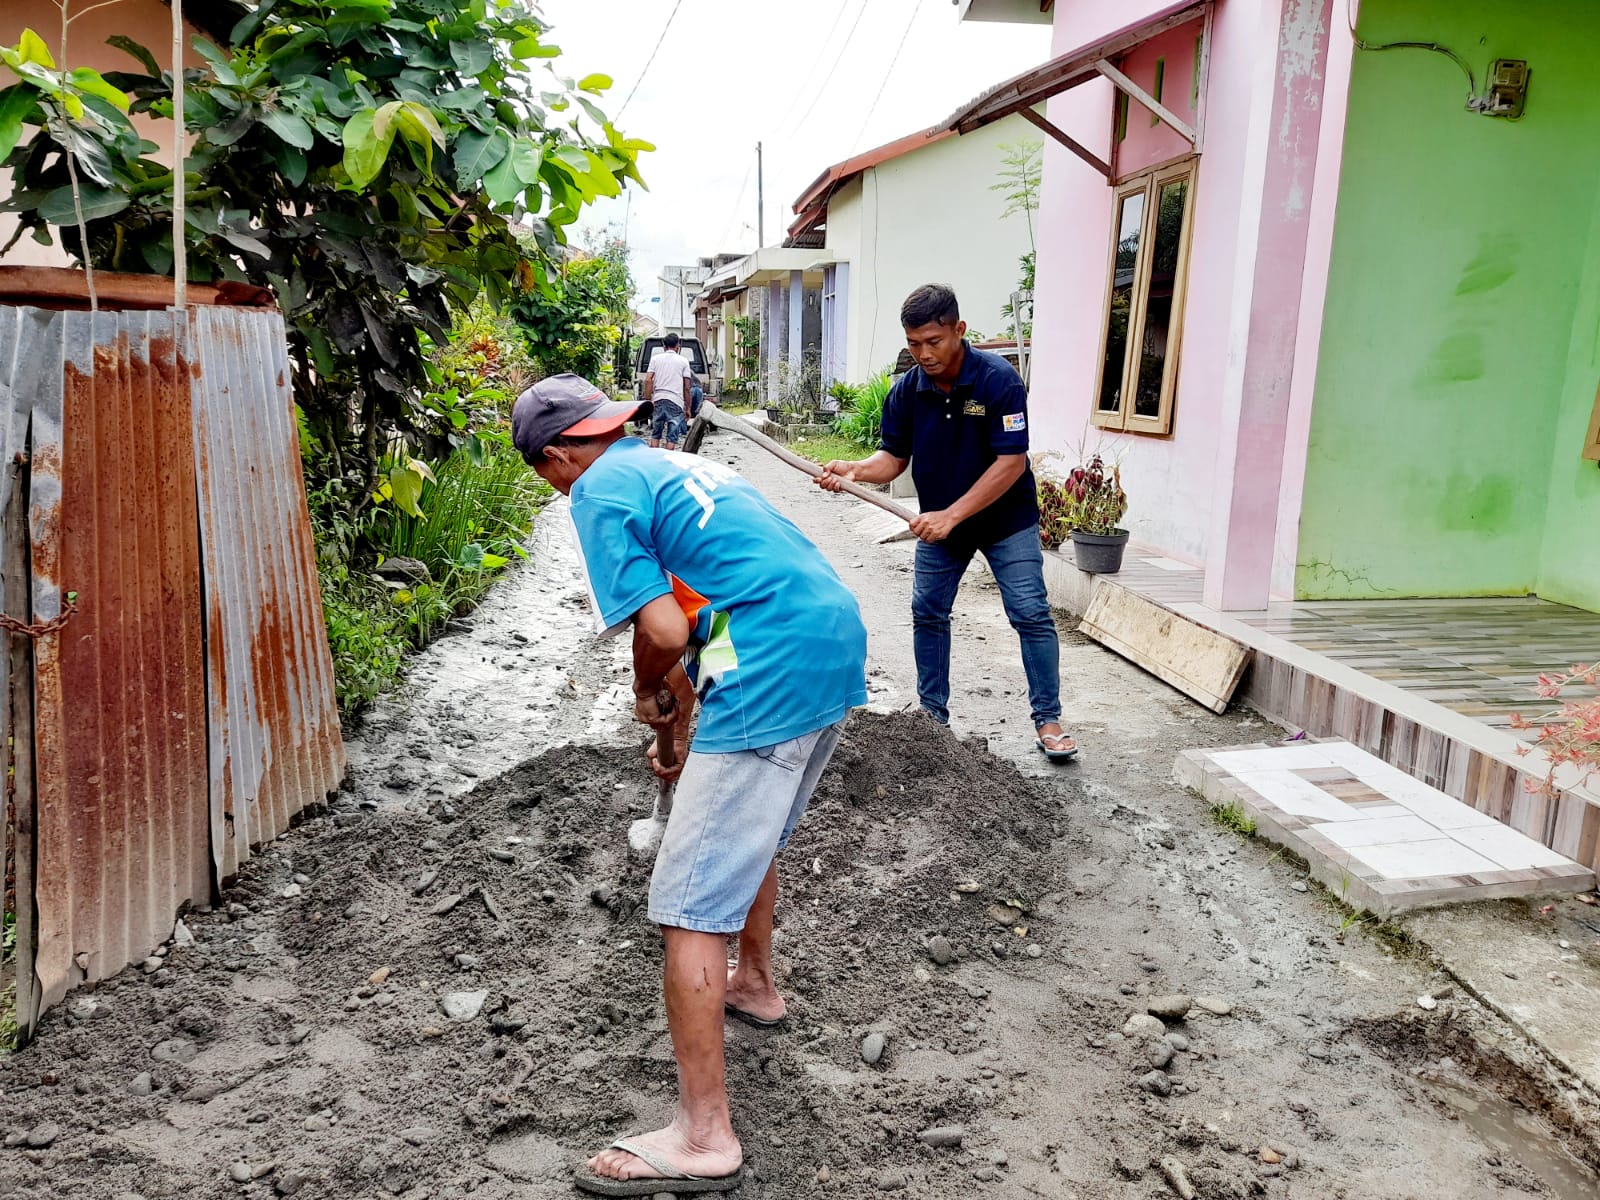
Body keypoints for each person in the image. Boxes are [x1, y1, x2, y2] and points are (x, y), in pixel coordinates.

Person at [510, 373, 868, 1195]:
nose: (559, 486)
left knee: (685, 899)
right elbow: (706, 608)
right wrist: (675, 712)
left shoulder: (596, 490)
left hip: (772, 660)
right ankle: (756, 984)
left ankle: (704, 1136)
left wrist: (648, 687)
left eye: (549, 474)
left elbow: (664, 628)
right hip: (828, 634)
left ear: (559, 457)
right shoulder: (673, 465)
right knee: (748, 835)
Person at [817, 283, 1076, 762]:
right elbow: (893, 458)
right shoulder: (907, 391)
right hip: (942, 526)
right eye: (913, 343)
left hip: (1005, 520)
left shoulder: (999, 381)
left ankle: (1048, 717)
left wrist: (952, 514)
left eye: (933, 342)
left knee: (1030, 613)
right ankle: (933, 716)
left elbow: (1011, 463)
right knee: (928, 612)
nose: (923, 354)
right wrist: (854, 470)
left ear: (959, 330)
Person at [643, 332, 694, 450]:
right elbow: (687, 387)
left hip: (658, 400)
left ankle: (654, 460)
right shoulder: (683, 361)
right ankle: (667, 461)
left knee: (656, 434)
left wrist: (648, 400)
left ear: (664, 346)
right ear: (678, 346)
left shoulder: (655, 359)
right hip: (675, 401)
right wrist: (688, 408)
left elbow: (648, 380)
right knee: (672, 437)